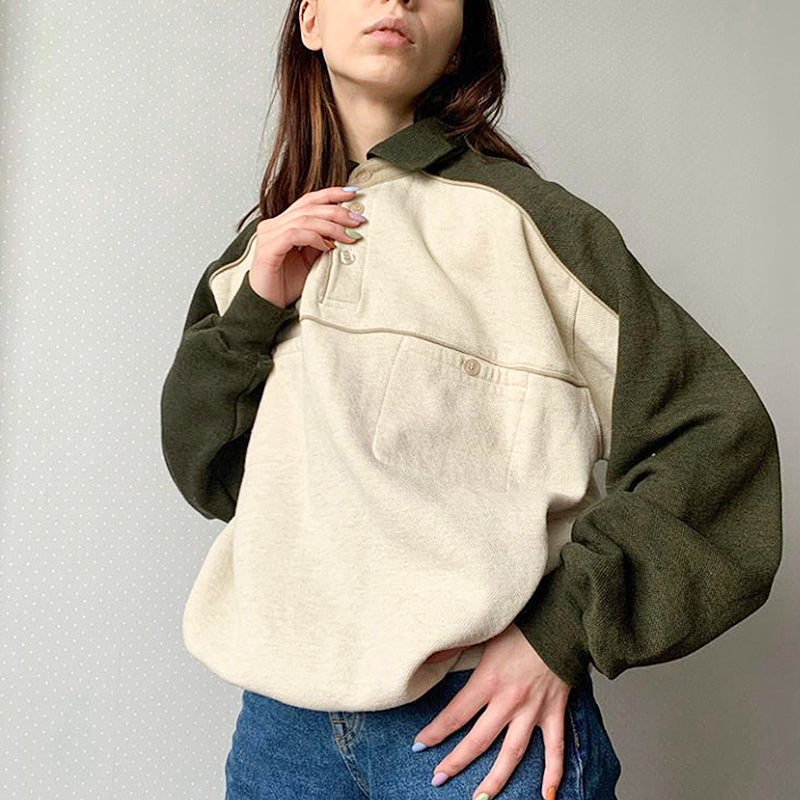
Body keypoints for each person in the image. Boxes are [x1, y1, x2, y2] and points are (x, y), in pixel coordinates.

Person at [159, 2, 784, 799]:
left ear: (459, 47)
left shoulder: (532, 226)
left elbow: (715, 434)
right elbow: (210, 475)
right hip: (281, 729)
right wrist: (255, 307)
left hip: (475, 729)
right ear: (309, 20)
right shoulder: (255, 256)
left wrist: (559, 632)